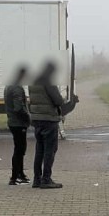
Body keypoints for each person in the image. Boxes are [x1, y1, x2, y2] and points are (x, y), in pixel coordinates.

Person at [27, 61, 78, 189]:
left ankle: (37, 179)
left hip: (37, 120)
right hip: (49, 120)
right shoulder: (48, 81)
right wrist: (71, 101)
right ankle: (46, 179)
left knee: (39, 150)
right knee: (50, 150)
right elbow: (58, 100)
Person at [3, 66, 31, 185]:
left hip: (12, 121)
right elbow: (19, 108)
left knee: (19, 149)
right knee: (20, 150)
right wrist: (28, 118)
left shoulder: (8, 86)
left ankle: (20, 174)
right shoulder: (17, 89)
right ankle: (15, 177)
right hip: (18, 123)